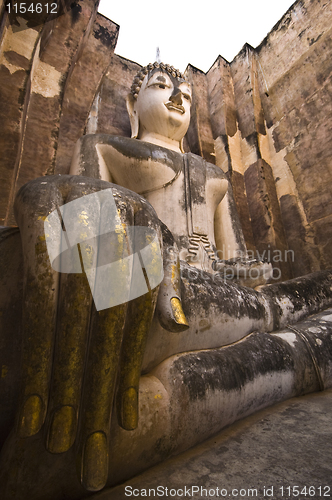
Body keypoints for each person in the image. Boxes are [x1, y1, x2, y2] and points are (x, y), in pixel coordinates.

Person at [1, 62, 332, 498]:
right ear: (131, 103)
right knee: (253, 313)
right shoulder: (106, 146)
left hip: (215, 290)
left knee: (283, 300)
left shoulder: (215, 178)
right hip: (149, 279)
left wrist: (229, 264)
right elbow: (88, 231)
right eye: (160, 86)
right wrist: (95, 204)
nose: (176, 97)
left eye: (186, 94)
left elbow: (242, 262)